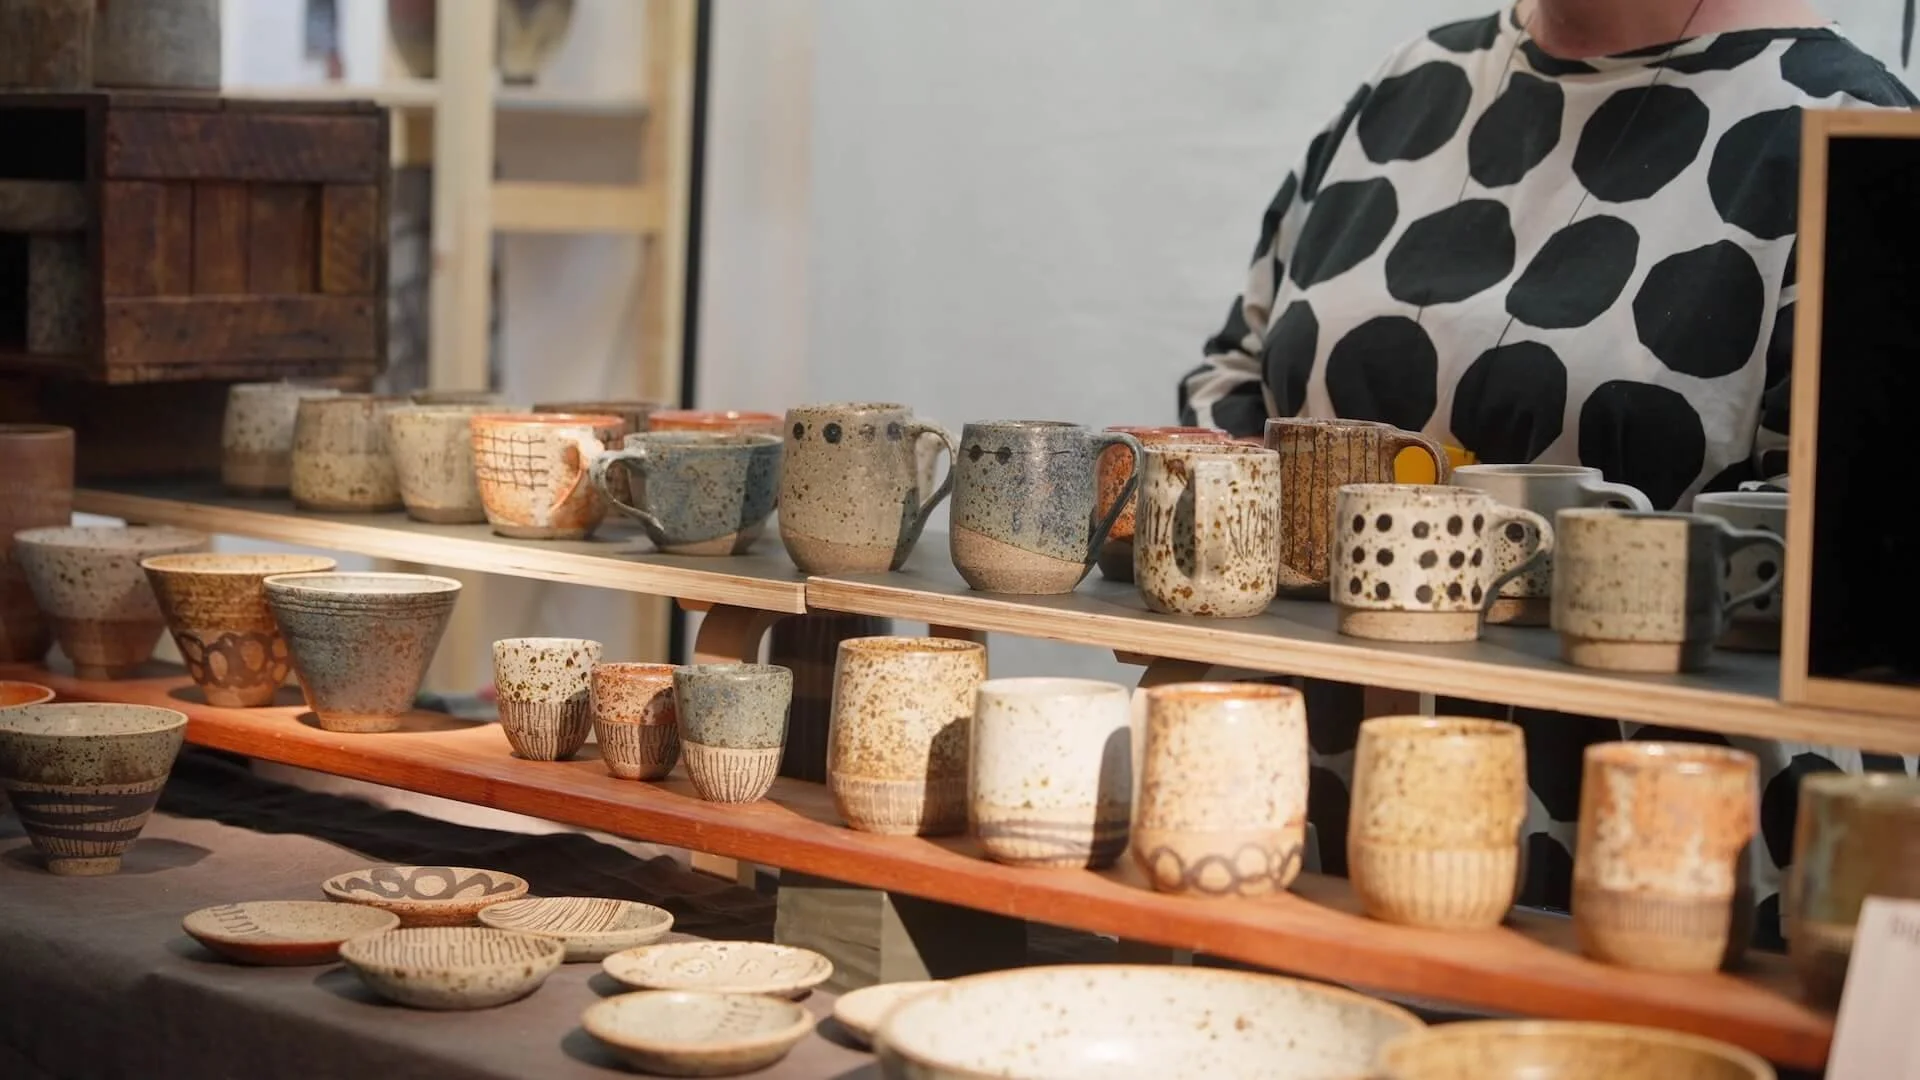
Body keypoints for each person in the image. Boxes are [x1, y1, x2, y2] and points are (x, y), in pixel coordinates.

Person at [1179, 0, 1918, 943]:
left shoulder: (1845, 127)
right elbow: (1235, 371)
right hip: (1309, 806)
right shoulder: (1414, 82)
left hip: (1645, 861)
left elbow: (1853, 558)